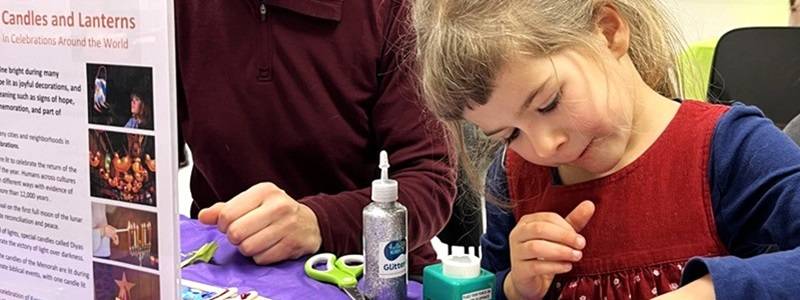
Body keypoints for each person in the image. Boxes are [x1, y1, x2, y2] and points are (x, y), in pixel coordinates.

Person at [413, 0, 800, 299]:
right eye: (509, 134)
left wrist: (710, 290)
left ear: (608, 31)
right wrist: (516, 286)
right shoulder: (515, 175)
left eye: (548, 103)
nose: (546, 147)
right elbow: (492, 283)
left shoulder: (729, 148)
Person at [174, 0, 456, 276]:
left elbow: (430, 181)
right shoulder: (175, 11)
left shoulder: (389, 10)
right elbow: (140, 148)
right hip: (224, 266)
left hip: (368, 271)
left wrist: (319, 223)